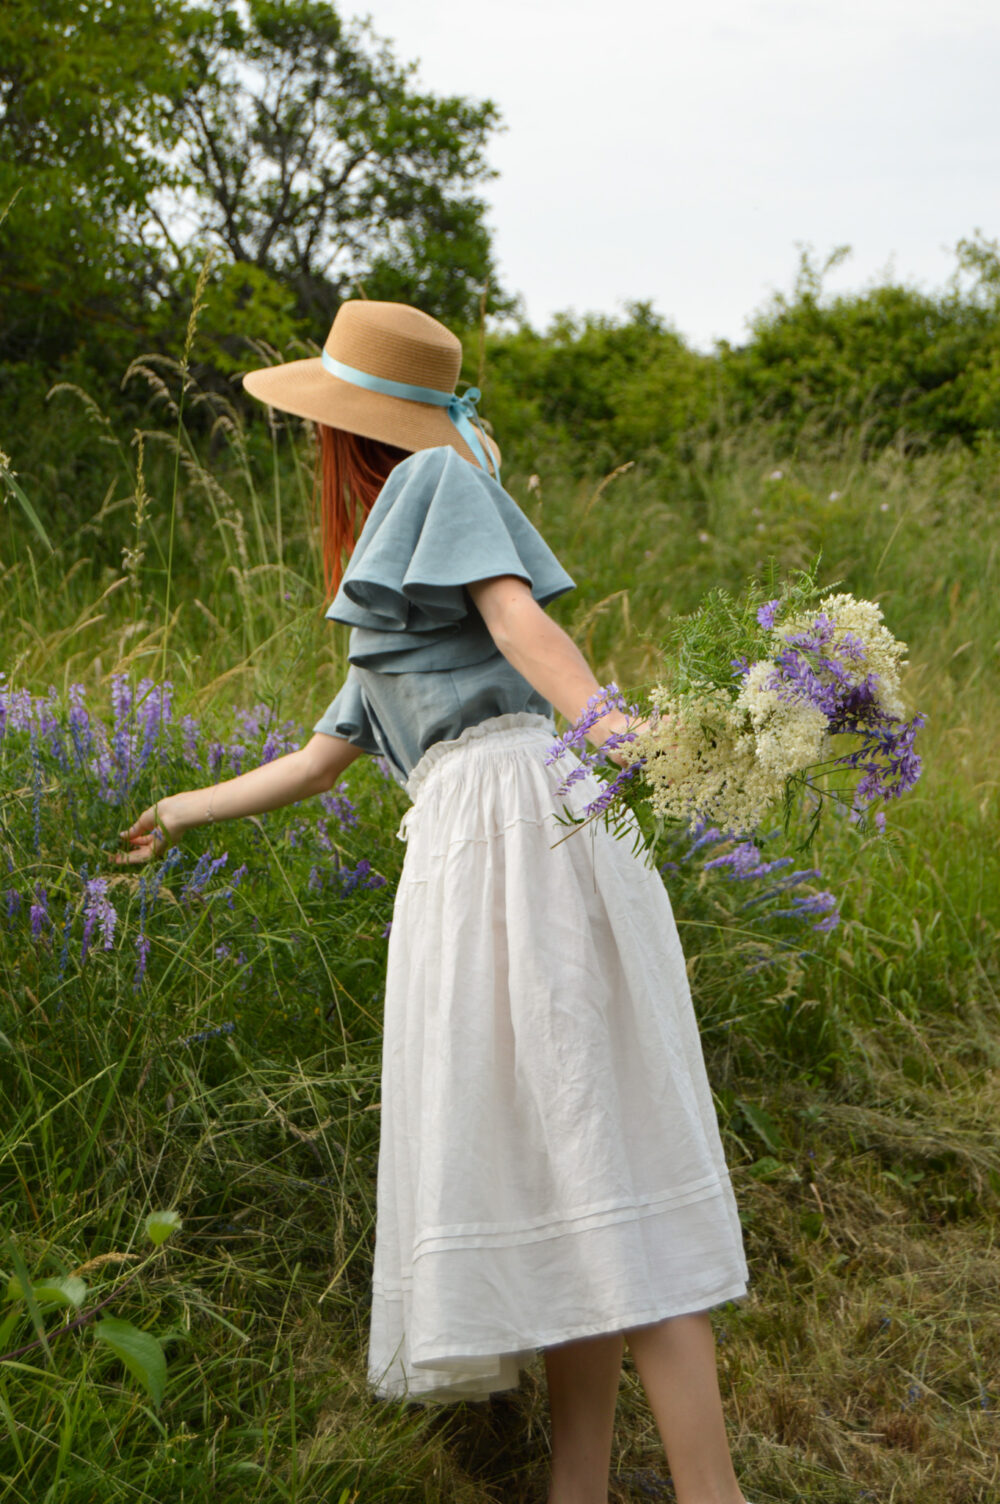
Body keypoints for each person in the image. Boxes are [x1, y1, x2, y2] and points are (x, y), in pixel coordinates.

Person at [116, 301, 753, 1504]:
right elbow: (315, 759)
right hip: (479, 856)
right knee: (559, 1172)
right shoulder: (395, 597)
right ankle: (581, 1488)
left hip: (525, 834)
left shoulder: (433, 480)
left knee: (603, 1166)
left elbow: (524, 618)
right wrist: (181, 806)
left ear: (348, 433)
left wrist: (608, 721)